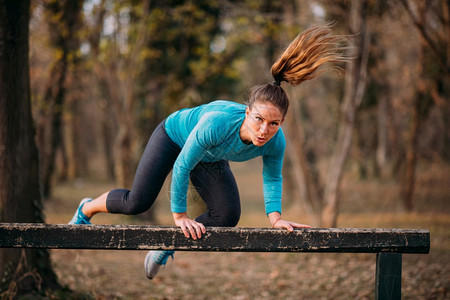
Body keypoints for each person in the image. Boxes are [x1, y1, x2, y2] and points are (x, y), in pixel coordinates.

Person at [69, 23, 349, 280]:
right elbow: (181, 167)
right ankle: (86, 208)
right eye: (259, 120)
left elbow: (272, 178)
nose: (264, 130)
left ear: (282, 123)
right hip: (174, 136)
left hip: (210, 156)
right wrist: (180, 218)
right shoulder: (216, 124)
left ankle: (166, 245)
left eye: (273, 124)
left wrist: (275, 218)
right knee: (137, 203)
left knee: (227, 215)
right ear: (247, 112)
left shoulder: (277, 141)